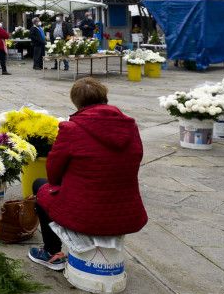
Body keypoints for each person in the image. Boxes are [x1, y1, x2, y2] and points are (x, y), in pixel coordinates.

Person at [29, 78, 147, 270]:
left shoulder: (71, 129)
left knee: (41, 187)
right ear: (105, 97)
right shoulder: (129, 127)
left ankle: (51, 252)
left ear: (76, 102)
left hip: (86, 215)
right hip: (126, 214)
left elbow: (53, 173)